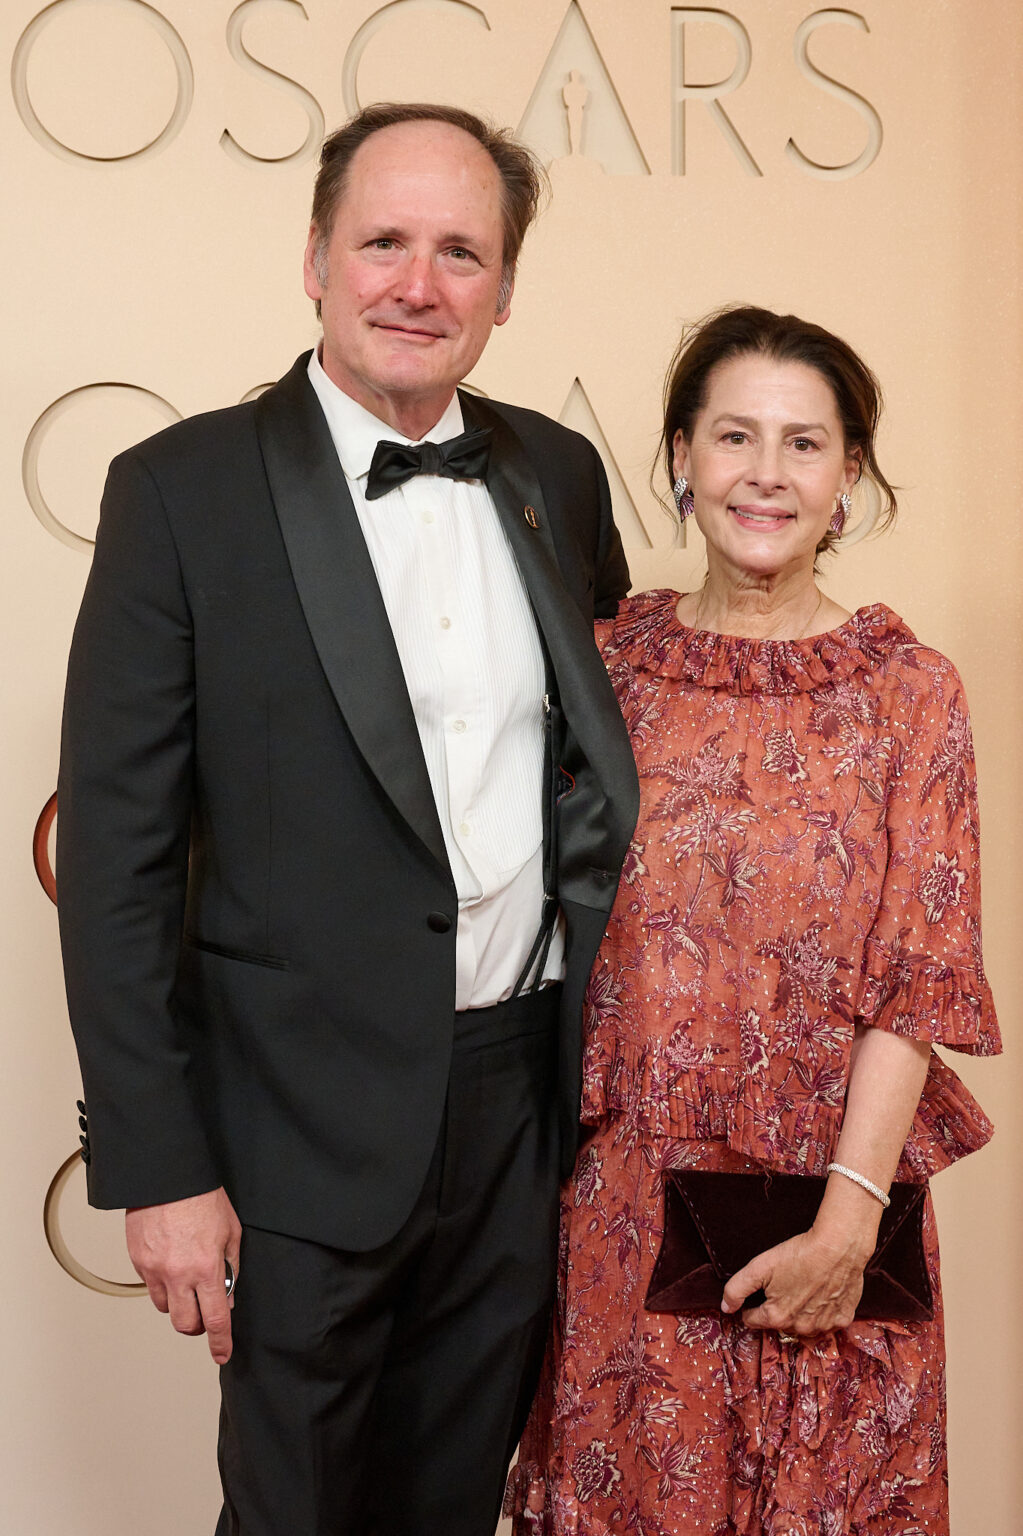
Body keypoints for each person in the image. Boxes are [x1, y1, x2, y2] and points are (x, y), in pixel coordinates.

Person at [56, 102, 638, 1536]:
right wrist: (163, 1165)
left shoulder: (556, 475)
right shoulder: (176, 491)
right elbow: (119, 862)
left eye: (460, 252)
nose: (416, 284)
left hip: (516, 1104)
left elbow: (606, 771)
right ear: (313, 257)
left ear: (504, 289)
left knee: (454, 1501)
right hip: (288, 1123)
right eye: (382, 241)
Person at [508, 305, 1001, 1535]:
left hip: (836, 1212)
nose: (765, 475)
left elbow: (921, 977)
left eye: (803, 445)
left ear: (849, 479)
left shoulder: (910, 693)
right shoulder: (604, 672)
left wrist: (848, 1222)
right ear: (679, 458)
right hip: (621, 1220)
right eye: (734, 437)